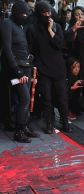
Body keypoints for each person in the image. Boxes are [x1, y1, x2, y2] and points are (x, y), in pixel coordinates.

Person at [27, 1, 72, 134]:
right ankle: (49, 123)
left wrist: (50, 30)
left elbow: (60, 44)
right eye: (44, 13)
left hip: (58, 68)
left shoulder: (56, 26)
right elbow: (31, 49)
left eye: (49, 12)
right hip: (43, 68)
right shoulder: (32, 29)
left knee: (63, 98)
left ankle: (65, 122)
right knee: (47, 98)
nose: (47, 15)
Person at [0, 1, 39, 142]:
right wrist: (17, 71)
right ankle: (19, 131)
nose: (26, 16)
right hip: (17, 69)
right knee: (24, 99)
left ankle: (24, 127)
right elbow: (7, 49)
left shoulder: (19, 25)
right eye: (23, 13)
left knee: (23, 100)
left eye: (27, 13)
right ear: (16, 13)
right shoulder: (7, 23)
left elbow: (22, 47)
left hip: (26, 66)